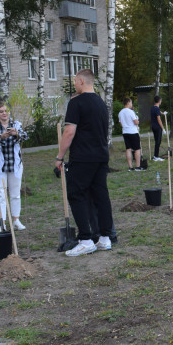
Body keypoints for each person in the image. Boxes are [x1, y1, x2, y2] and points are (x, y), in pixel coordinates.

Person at [55, 69, 115, 256]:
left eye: (74, 81)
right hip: (101, 156)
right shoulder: (101, 103)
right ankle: (105, 238)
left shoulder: (76, 103)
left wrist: (59, 156)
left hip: (83, 158)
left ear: (81, 80)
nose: (74, 84)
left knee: (76, 194)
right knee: (100, 195)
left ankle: (86, 239)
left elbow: (69, 132)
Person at [0, 100, 29, 231]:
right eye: (1, 111)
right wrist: (1, 136)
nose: (4, 113)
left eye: (6, 111)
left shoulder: (16, 124)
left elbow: (25, 137)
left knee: (15, 193)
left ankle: (16, 220)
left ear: (9, 111)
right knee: (0, 194)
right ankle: (2, 222)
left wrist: (16, 133)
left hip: (15, 164)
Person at [118, 98, 144, 171]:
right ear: (128, 102)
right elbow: (136, 122)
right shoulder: (131, 112)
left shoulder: (120, 112)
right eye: (131, 102)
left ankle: (130, 167)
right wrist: (138, 120)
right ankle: (138, 167)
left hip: (125, 132)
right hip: (133, 132)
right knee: (137, 149)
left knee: (128, 149)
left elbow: (121, 124)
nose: (131, 104)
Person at [150, 95, 166, 161]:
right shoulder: (157, 109)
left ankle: (155, 155)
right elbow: (159, 120)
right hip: (157, 127)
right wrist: (163, 128)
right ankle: (156, 157)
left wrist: (163, 113)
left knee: (157, 141)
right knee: (158, 142)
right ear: (159, 101)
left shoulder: (153, 108)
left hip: (153, 127)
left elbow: (158, 112)